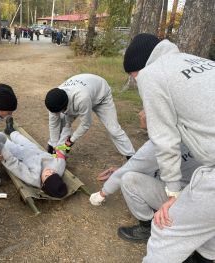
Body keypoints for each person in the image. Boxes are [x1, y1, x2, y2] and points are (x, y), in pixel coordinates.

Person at [123, 33, 215, 262]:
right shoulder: (198, 62)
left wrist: (173, 193)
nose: (135, 82)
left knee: (166, 229)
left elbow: (164, 140)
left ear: (139, 69)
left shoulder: (151, 75)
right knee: (207, 226)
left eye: (133, 77)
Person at [89, 110, 200, 244]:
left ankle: (146, 227)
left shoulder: (161, 141)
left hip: (184, 201)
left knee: (128, 179)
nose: (140, 113)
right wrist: (121, 169)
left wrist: (101, 194)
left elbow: (132, 169)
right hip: (201, 196)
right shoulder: (187, 129)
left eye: (145, 110)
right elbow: (156, 164)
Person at [45, 73, 135, 160]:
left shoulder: (81, 99)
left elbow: (86, 124)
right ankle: (52, 150)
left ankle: (131, 157)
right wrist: (54, 145)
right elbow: (54, 124)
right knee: (62, 123)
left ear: (65, 106)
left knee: (114, 130)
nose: (56, 114)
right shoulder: (54, 100)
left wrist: (72, 140)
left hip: (101, 95)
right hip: (85, 88)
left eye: (60, 111)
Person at [0, 117, 68, 198]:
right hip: (34, 150)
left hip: (22, 155)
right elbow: (61, 156)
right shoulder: (59, 168)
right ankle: (10, 131)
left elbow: (16, 167)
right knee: (21, 139)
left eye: (46, 175)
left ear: (43, 184)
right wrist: (58, 149)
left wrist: (3, 154)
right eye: (53, 173)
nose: (49, 171)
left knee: (7, 144)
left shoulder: (33, 179)